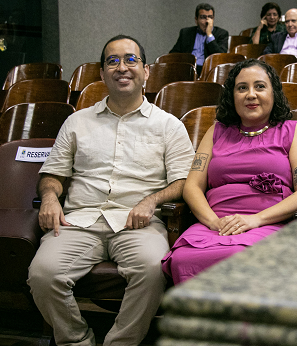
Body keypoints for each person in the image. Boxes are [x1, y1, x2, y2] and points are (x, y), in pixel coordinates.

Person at [27, 35, 195, 346]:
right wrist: (50, 196)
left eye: (131, 59)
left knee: (152, 269)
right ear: (103, 73)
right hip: (79, 222)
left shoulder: (168, 125)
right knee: (42, 273)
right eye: (112, 61)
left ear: (146, 71)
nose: (122, 67)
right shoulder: (77, 122)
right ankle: (76, 340)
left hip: (138, 222)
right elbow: (52, 174)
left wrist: (151, 201)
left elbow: (185, 181)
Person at [162, 59, 297, 284]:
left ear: (274, 93)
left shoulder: (292, 131)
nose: (250, 94)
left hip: (269, 223)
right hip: (216, 225)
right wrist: (214, 222)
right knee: (183, 259)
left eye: (260, 86)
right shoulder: (216, 131)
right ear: (232, 97)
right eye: (242, 88)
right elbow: (192, 186)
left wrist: (256, 220)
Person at [169, 3, 229, 76]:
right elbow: (174, 53)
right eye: (203, 17)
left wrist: (209, 35)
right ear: (196, 20)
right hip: (188, 69)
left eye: (210, 17)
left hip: (209, 71)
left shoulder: (222, 34)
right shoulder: (186, 33)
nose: (207, 21)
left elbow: (220, 58)